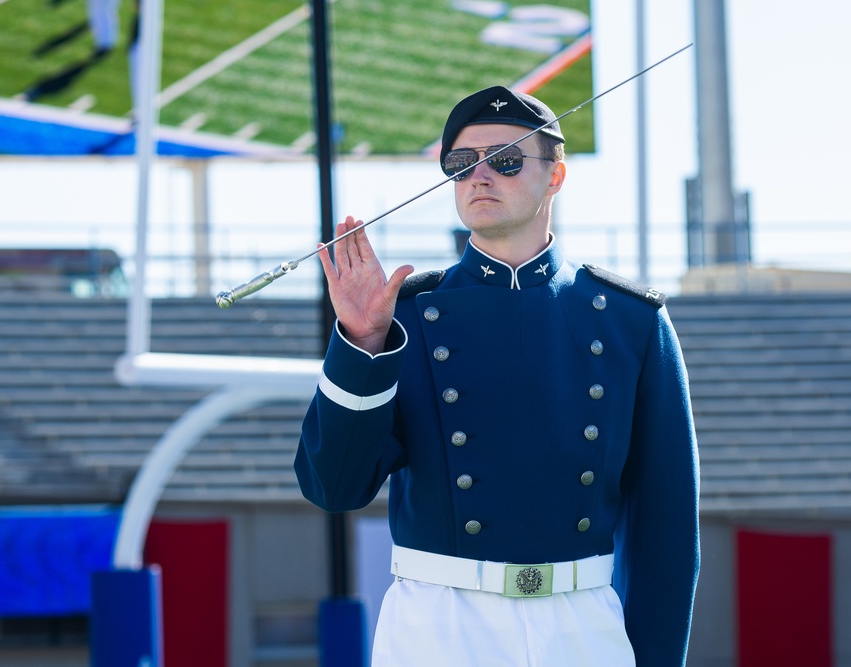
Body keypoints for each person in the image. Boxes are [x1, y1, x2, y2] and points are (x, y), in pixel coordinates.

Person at [295, 85, 700, 666]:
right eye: (461, 165)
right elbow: (333, 489)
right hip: (438, 626)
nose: (480, 177)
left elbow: (666, 530)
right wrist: (360, 343)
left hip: (581, 625)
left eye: (505, 160)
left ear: (555, 176)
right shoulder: (402, 316)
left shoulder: (631, 320)